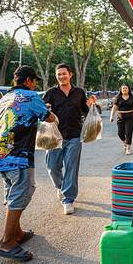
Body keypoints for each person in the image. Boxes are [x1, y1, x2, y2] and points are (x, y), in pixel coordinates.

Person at [0, 65, 58, 261]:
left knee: (11, 192)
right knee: (22, 191)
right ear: (28, 80)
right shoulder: (30, 96)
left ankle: (17, 233)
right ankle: (7, 242)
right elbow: (50, 118)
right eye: (34, 81)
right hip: (18, 154)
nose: (34, 84)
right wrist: (47, 110)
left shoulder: (5, 98)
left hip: (1, 152)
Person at [42, 63, 96, 215]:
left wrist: (90, 104)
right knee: (53, 167)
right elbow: (43, 109)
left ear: (70, 75)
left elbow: (84, 111)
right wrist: (46, 108)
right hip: (54, 137)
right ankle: (60, 187)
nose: (61, 76)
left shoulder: (79, 92)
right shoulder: (51, 92)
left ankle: (68, 199)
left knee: (71, 167)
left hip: (74, 135)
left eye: (64, 74)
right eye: (59, 74)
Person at [110, 84, 133, 155]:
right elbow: (114, 107)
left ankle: (128, 149)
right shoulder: (118, 98)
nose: (124, 89)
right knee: (120, 133)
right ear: (121, 90)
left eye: (126, 88)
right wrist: (111, 116)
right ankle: (125, 142)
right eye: (123, 88)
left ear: (128, 89)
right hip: (120, 116)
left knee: (128, 133)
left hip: (130, 116)